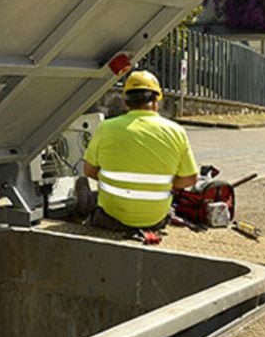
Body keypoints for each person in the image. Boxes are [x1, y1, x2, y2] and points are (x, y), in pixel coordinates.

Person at [82, 70, 199, 233]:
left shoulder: (106, 128)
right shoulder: (176, 131)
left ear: (125, 102)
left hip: (111, 217)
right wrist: (162, 184)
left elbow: (88, 170)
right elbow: (190, 178)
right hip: (154, 221)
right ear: (156, 101)